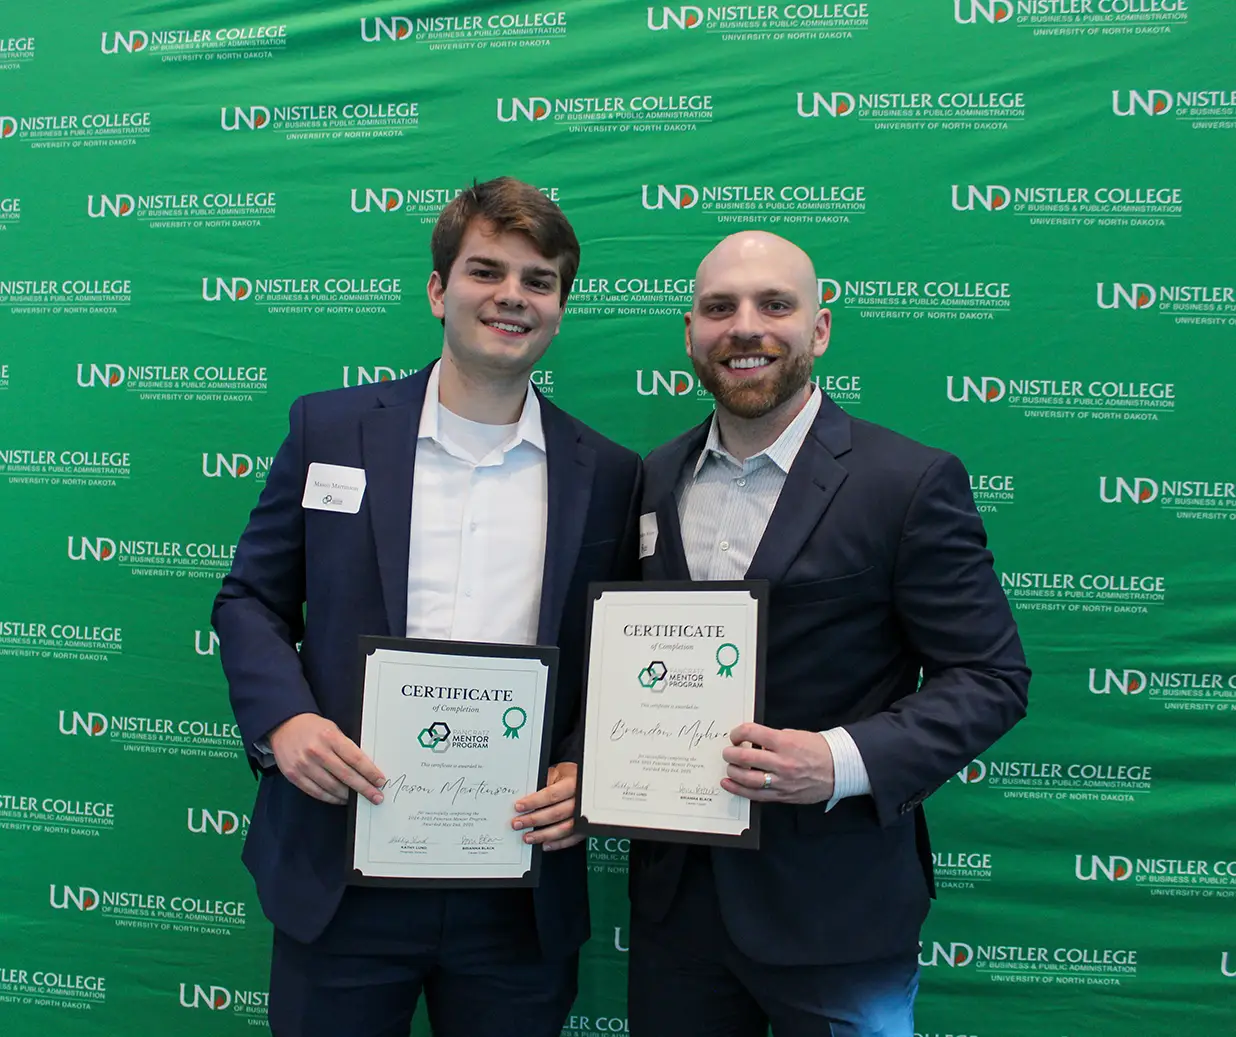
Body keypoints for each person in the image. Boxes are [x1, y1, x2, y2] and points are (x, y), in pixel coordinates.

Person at [212, 177, 641, 1037]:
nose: (513, 296)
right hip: (341, 864)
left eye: (540, 280)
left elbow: (622, 661)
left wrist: (587, 766)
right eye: (487, 271)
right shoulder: (328, 430)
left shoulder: (610, 474)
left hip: (517, 885)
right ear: (439, 289)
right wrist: (285, 721)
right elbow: (250, 597)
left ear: (560, 307)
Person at [627, 231, 1030, 1037]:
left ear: (820, 330)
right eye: (719, 308)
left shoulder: (906, 481)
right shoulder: (650, 478)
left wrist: (838, 759)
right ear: (689, 332)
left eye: (776, 304)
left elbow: (991, 678)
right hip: (679, 908)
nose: (746, 327)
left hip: (838, 907)